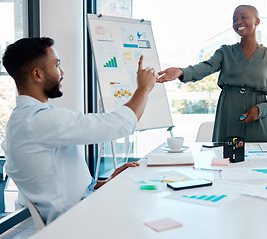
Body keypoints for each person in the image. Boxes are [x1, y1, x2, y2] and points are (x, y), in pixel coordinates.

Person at [1, 37, 156, 224]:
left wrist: (104, 183)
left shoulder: (23, 120)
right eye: (57, 65)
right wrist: (144, 88)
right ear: (38, 74)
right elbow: (119, 125)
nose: (62, 72)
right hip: (79, 223)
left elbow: (61, 187)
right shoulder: (38, 120)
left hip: (82, 213)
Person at [157, 5, 267, 142]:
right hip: (228, 113)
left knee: (259, 159)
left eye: (243, 17)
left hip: (258, 118)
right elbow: (206, 66)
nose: (238, 22)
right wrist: (181, 71)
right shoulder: (225, 52)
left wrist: (261, 110)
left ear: (257, 21)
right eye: (235, 19)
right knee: (225, 158)